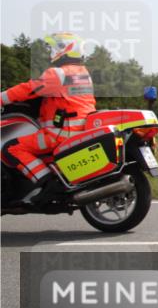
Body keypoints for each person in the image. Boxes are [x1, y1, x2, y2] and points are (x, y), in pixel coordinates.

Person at [0, 32, 96, 207]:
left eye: (53, 48)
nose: (50, 52)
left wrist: (1, 98)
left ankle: (46, 183)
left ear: (64, 49)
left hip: (59, 133)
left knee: (12, 148)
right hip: (78, 128)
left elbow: (28, 89)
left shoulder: (57, 73)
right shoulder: (83, 73)